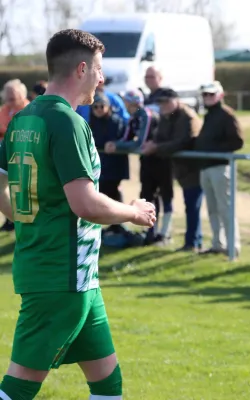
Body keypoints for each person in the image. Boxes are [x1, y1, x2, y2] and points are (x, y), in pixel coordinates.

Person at [0, 28, 155, 400]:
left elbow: (4, 191)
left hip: (74, 276)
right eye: (99, 70)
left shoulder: (22, 120)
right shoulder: (68, 122)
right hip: (61, 278)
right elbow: (85, 203)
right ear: (82, 69)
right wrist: (132, 213)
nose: (102, 79)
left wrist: (33, 217)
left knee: (107, 383)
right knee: (18, 388)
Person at [140, 88, 204, 252]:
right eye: (161, 103)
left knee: (192, 205)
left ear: (176, 100)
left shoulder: (187, 117)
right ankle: (193, 242)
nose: (163, 106)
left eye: (166, 102)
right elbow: (162, 137)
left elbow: (183, 142)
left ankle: (193, 243)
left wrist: (156, 147)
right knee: (190, 205)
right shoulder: (167, 117)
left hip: (193, 168)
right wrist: (153, 144)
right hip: (181, 168)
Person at [104, 89, 163, 245]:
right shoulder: (134, 117)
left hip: (160, 161)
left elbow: (139, 142)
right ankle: (149, 232)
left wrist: (117, 145)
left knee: (162, 197)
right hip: (146, 160)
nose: (124, 104)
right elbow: (127, 138)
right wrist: (116, 145)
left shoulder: (146, 115)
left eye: (126, 102)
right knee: (146, 193)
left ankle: (160, 233)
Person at [194, 81, 244, 257]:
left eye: (211, 94)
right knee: (213, 209)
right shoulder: (209, 115)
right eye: (205, 95)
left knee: (226, 209)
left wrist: (212, 149)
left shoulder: (226, 114)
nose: (207, 98)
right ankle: (218, 244)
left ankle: (233, 247)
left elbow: (237, 141)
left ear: (220, 95)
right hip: (206, 166)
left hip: (221, 167)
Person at [89, 92, 128, 234]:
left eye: (102, 106)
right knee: (103, 193)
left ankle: (118, 224)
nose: (99, 109)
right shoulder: (91, 122)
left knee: (113, 193)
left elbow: (118, 139)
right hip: (100, 164)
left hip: (114, 164)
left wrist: (112, 144)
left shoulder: (116, 121)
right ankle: (112, 224)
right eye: (96, 107)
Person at [0, 79, 29, 232]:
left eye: (13, 94)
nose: (9, 97)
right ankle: (9, 220)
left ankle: (22, 222)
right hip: (6, 156)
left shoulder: (28, 109)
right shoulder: (4, 110)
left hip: (23, 156)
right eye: (7, 94)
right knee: (5, 188)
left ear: (21, 94)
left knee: (20, 189)